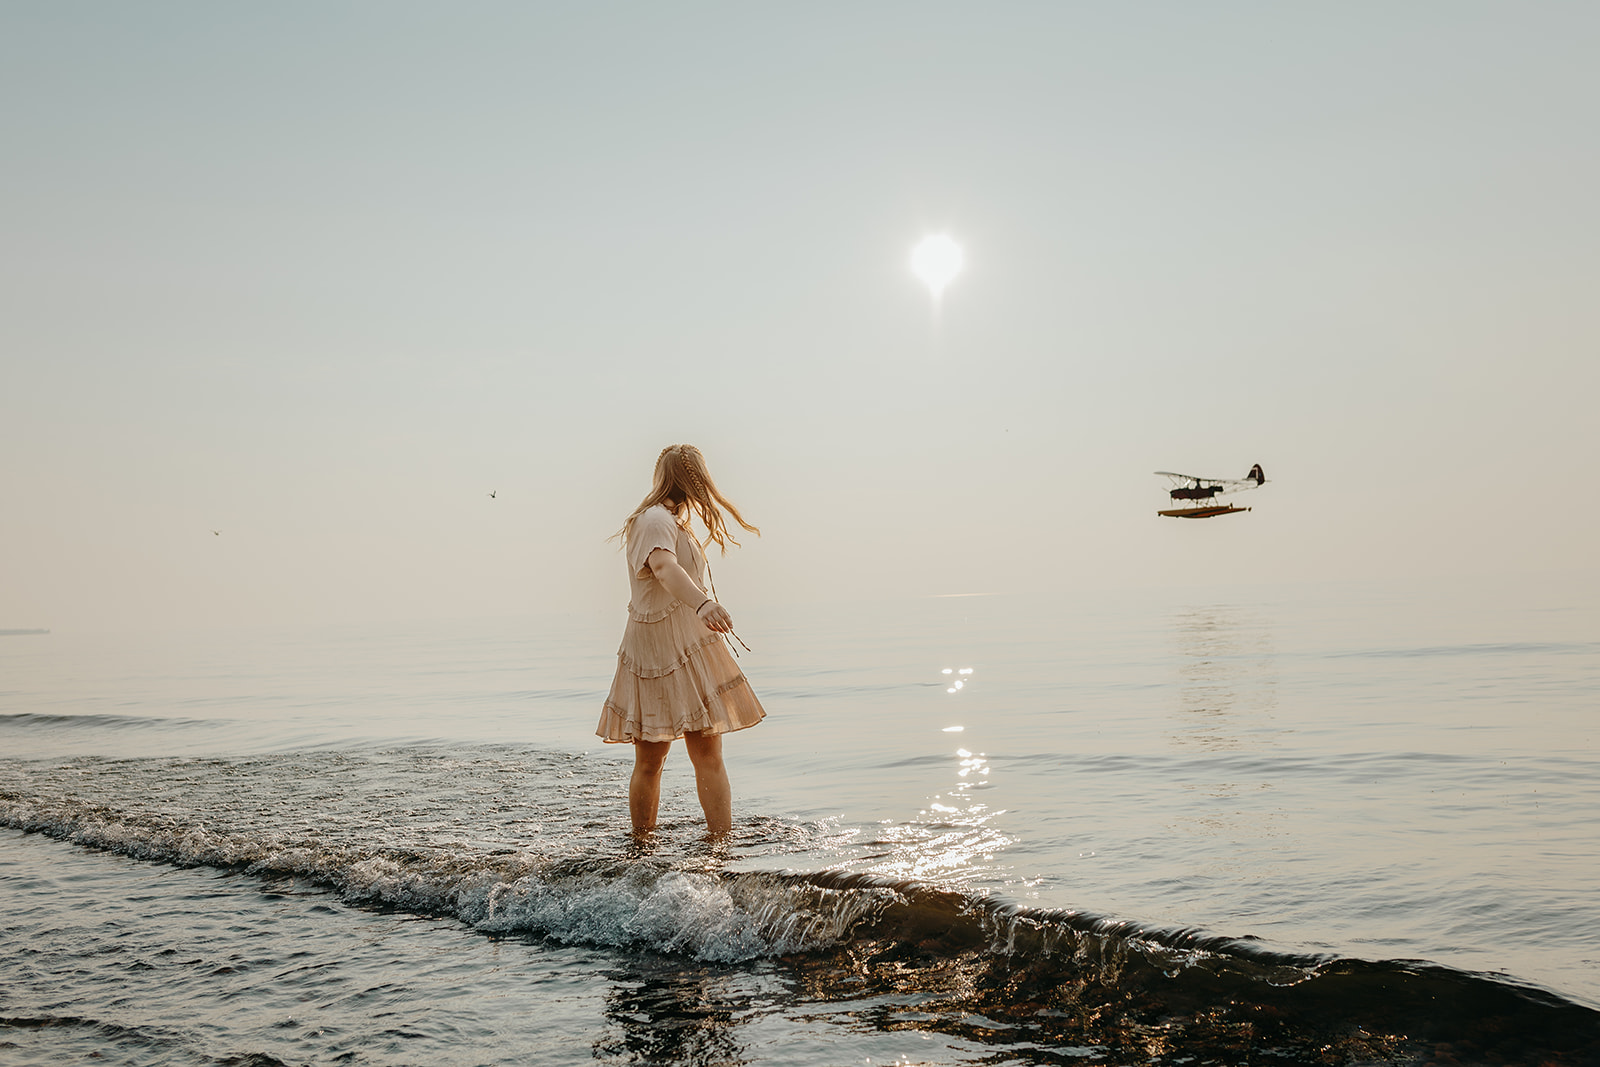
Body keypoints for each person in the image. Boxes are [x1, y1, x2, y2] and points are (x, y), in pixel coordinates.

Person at [596, 444, 765, 836]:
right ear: (693, 478)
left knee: (708, 752)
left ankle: (719, 846)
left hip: (688, 646)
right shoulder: (654, 519)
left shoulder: (671, 521)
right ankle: (642, 845)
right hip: (658, 650)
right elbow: (662, 567)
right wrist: (703, 604)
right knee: (651, 759)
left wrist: (701, 607)